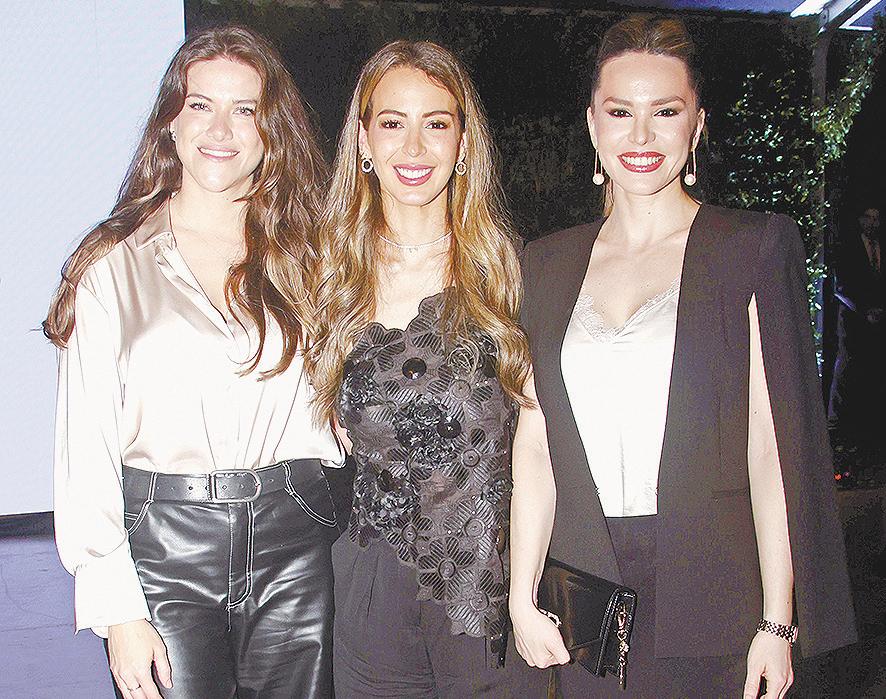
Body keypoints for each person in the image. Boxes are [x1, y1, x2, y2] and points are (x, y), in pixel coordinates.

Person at [510, 16, 857, 698]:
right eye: (621, 112)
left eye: (665, 112)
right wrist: (522, 594)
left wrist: (778, 621)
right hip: (585, 592)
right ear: (593, 124)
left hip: (714, 594)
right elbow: (535, 441)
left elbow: (771, 449)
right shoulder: (544, 264)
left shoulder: (749, 248)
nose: (641, 136)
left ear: (696, 125)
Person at [45, 26, 341, 699]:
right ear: (170, 123)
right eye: (201, 105)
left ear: (271, 131)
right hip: (163, 550)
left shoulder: (312, 255)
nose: (221, 130)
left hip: (293, 540)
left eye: (245, 110)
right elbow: (84, 447)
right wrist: (117, 608)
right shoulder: (113, 264)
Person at [305, 40, 550, 697]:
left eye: (435, 123)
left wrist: (525, 595)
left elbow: (536, 447)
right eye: (393, 122)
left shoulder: (513, 273)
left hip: (489, 594)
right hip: (371, 597)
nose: (413, 147)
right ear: (363, 140)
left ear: (464, 143)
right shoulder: (326, 276)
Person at [828, 205, 885, 479]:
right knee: (847, 368)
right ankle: (839, 428)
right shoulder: (848, 248)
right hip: (853, 320)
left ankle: (865, 434)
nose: (873, 223)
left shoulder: (878, 248)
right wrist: (863, 310)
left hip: (876, 321)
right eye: (869, 218)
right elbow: (841, 286)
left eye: (877, 219)